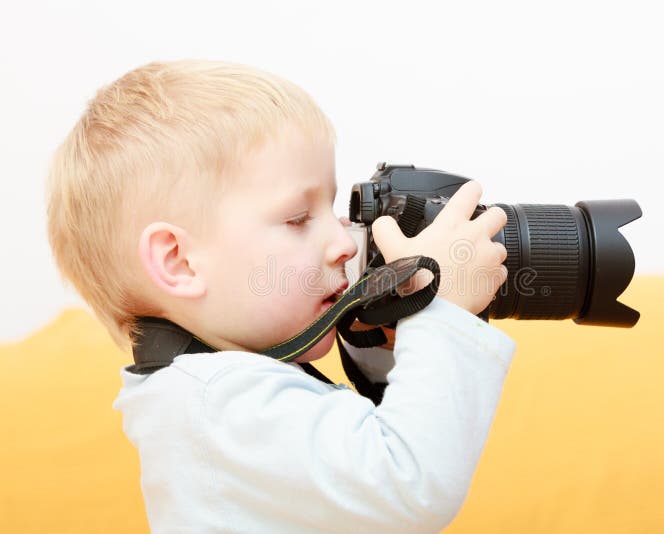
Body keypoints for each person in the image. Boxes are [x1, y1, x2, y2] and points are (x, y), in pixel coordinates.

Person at [46, 59, 516, 533]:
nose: (345, 243)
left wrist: (374, 345)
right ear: (180, 262)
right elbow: (407, 484)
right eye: (297, 218)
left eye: (331, 210)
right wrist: (444, 307)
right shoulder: (216, 402)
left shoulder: (217, 392)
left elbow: (364, 473)